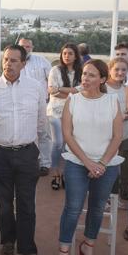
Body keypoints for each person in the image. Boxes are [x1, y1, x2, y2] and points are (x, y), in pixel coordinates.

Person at [0, 44, 49, 255]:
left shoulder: (36, 88)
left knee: (27, 204)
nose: (9, 64)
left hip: (27, 153)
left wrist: (36, 148)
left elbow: (41, 121)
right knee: (4, 202)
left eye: (14, 60)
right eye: (6, 60)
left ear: (24, 63)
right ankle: (8, 241)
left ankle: (28, 249)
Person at [57, 59, 123, 255]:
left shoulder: (112, 102)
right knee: (73, 208)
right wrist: (87, 162)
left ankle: (88, 246)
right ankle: (63, 254)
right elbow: (67, 135)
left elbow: (117, 137)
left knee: (96, 209)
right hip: (77, 162)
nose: (85, 78)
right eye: (84, 74)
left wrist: (101, 163)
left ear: (103, 79)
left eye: (92, 75)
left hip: (107, 165)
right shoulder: (73, 100)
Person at [47, 43, 83, 188]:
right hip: (55, 111)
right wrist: (72, 91)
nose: (67, 56)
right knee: (58, 143)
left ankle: (67, 174)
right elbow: (51, 90)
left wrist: (60, 89)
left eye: (70, 53)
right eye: (64, 53)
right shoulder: (55, 70)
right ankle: (55, 172)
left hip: (74, 112)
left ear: (76, 56)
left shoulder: (81, 71)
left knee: (69, 145)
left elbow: (82, 90)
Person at [18, 38, 53, 176]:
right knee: (26, 134)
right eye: (23, 46)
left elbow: (51, 80)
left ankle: (45, 164)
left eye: (28, 46)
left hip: (40, 103)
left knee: (43, 134)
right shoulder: (14, 62)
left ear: (32, 47)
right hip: (20, 104)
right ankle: (30, 162)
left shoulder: (42, 61)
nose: (25, 48)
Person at [105, 57, 128, 242]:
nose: (120, 73)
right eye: (117, 69)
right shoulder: (103, 88)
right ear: (110, 69)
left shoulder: (127, 89)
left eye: (124, 70)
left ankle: (122, 197)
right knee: (111, 171)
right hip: (108, 138)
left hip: (127, 136)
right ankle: (109, 198)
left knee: (127, 174)